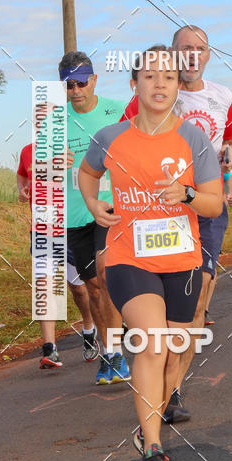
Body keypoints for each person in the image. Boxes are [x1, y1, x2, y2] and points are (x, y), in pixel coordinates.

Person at [80, 49, 222, 461]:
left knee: (173, 353)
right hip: (129, 259)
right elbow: (86, 174)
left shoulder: (193, 139)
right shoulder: (110, 136)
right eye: (150, 76)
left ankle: (148, 430)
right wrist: (93, 203)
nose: (160, 84)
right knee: (151, 343)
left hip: (182, 261)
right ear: (134, 84)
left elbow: (214, 205)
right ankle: (155, 450)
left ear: (179, 87)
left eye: (168, 77)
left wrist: (186, 195)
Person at [122, 28, 232, 419]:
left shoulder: (224, 96)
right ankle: (151, 359)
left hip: (205, 208)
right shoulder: (147, 96)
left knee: (199, 296)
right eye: (184, 49)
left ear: (209, 54)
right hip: (157, 211)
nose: (192, 54)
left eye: (199, 48)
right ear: (172, 55)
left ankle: (171, 390)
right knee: (162, 302)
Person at [58, 51, 130, 385]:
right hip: (76, 215)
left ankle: (115, 353)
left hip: (113, 207)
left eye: (81, 82)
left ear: (94, 80)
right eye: (69, 84)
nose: (75, 90)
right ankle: (110, 350)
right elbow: (40, 173)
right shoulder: (54, 121)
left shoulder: (117, 111)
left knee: (104, 273)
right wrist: (54, 163)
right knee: (94, 290)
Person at [17, 142, 98, 368]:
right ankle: (50, 348)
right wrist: (22, 190)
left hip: (72, 229)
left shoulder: (71, 145)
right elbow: (22, 175)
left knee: (79, 289)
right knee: (44, 285)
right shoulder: (27, 151)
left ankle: (89, 330)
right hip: (42, 231)